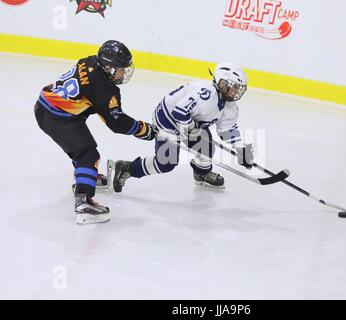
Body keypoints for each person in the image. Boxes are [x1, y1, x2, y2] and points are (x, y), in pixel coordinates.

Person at [34, 40, 156, 225]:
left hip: (48, 106)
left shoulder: (90, 61)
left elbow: (94, 103)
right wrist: (143, 130)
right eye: (121, 69)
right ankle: (84, 202)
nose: (124, 73)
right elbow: (117, 123)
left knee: (79, 146)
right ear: (108, 67)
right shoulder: (103, 89)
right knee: (88, 154)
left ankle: (86, 176)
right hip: (56, 117)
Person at [109, 62, 254, 192]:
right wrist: (191, 129)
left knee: (206, 147)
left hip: (190, 121)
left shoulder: (230, 106)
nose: (236, 92)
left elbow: (227, 130)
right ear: (222, 82)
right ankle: (127, 168)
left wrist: (240, 148)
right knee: (166, 163)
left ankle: (201, 174)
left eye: (238, 88)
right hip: (168, 119)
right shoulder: (206, 93)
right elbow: (179, 112)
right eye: (234, 87)